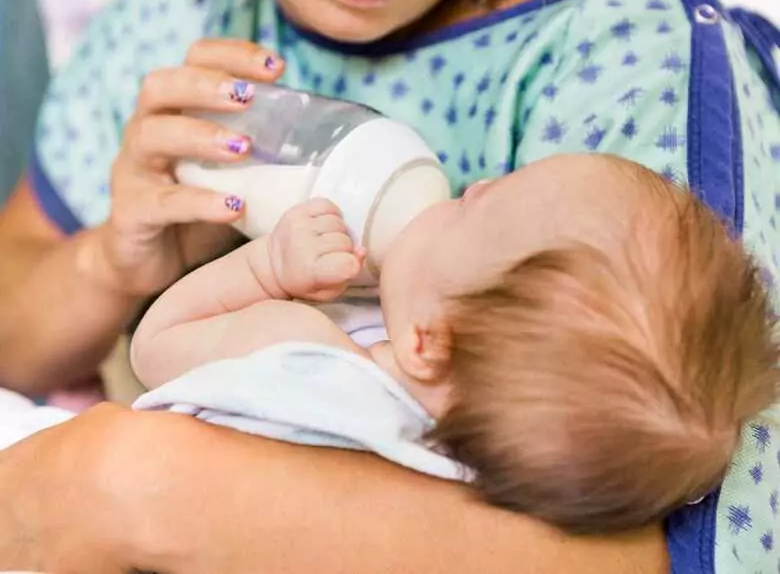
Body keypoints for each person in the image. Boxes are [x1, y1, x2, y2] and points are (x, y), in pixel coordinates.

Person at [0, 0, 777, 571]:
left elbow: (719, 541)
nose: (472, 189)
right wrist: (111, 263)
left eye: (481, 199)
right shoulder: (182, 15)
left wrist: (143, 485)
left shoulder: (631, 59)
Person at [131, 153, 779, 533]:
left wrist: (267, 270)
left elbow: (155, 347)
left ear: (427, 342)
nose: (476, 184)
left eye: (473, 207)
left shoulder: (307, 362)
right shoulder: (485, 489)